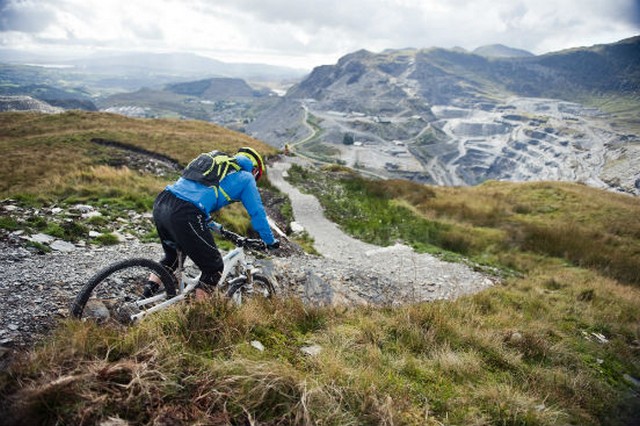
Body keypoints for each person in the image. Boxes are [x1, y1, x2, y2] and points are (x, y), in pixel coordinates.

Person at [145, 146, 279, 298]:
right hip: (185, 211)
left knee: (172, 258)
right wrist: (269, 241)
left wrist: (219, 229)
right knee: (214, 269)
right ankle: (200, 318)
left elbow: (197, 197)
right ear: (255, 170)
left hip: (163, 201)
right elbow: (257, 212)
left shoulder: (219, 169)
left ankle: (141, 300)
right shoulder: (246, 178)